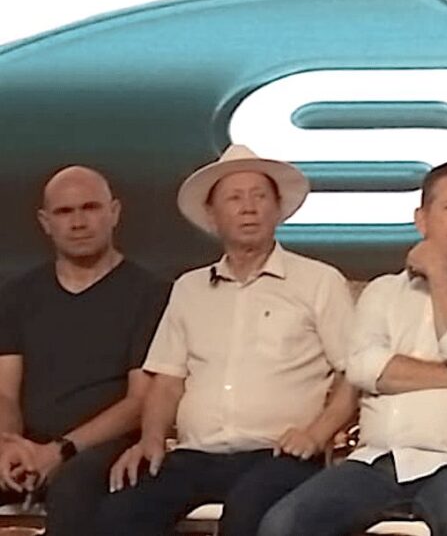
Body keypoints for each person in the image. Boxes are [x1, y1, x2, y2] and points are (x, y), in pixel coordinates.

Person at [259, 160, 447, 536]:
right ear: (422, 219)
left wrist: (439, 271)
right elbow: (364, 367)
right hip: (376, 462)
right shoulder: (383, 290)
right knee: (282, 525)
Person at [97, 145, 358, 535]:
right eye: (234, 198)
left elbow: (354, 373)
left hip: (279, 454)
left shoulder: (319, 282)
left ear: (277, 209)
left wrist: (316, 435)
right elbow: (167, 382)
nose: (248, 208)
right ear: (212, 216)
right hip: (194, 455)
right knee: (120, 512)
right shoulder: (189, 288)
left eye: (259, 197)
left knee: (247, 512)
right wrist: (151, 439)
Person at [0, 166, 169, 536]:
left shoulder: (152, 295)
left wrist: (60, 450)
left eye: (90, 208)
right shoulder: (17, 295)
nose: (78, 223)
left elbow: (140, 401)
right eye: (64, 212)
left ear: (114, 212)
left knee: (73, 488)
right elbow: (5, 393)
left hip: (105, 446)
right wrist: (8, 443)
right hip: (29, 443)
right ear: (45, 222)